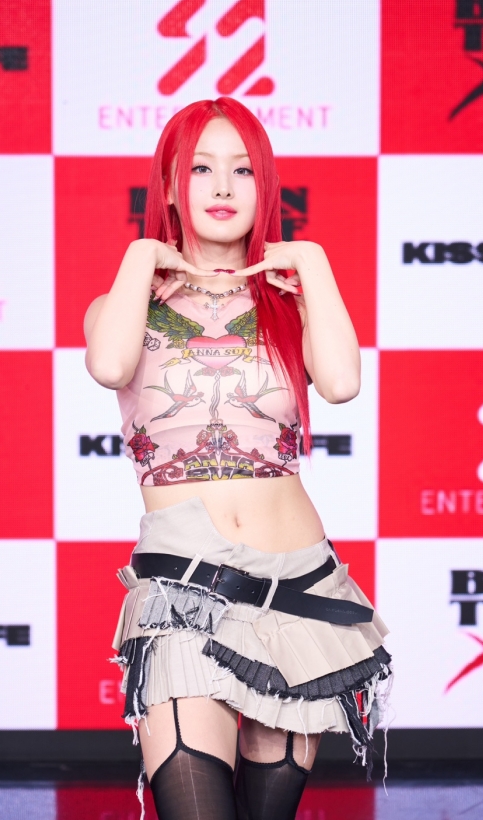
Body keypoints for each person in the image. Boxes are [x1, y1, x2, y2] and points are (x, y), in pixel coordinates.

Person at [84, 97, 391, 820]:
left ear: (265, 184)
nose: (223, 186)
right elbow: (108, 364)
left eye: (243, 169)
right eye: (200, 168)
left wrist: (313, 263)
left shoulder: (293, 303)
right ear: (169, 187)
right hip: (186, 591)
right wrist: (141, 254)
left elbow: (342, 384)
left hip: (298, 593)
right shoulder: (123, 301)